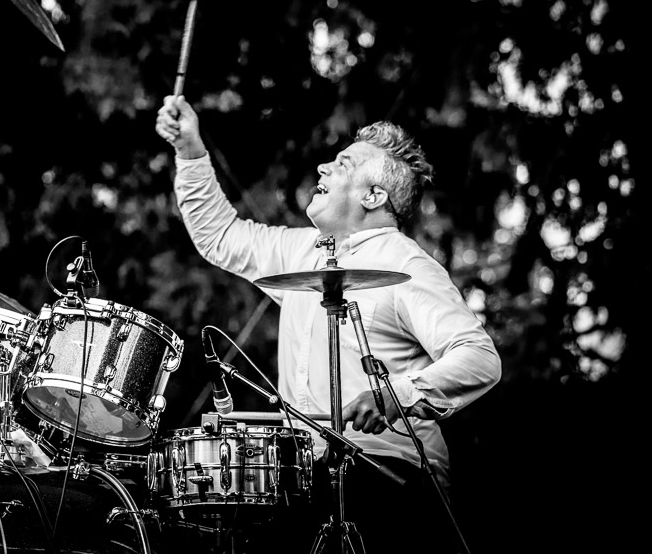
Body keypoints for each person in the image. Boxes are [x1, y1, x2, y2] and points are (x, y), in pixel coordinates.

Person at [155, 95, 502, 554]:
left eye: (342, 164)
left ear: (373, 196)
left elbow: (479, 358)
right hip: (310, 472)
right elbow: (219, 236)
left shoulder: (407, 264)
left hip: (391, 474)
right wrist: (191, 151)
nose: (322, 168)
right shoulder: (305, 252)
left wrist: (394, 395)